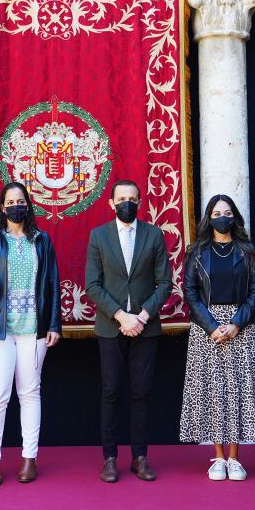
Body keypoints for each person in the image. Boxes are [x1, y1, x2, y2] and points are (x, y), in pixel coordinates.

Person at [0, 182, 61, 486]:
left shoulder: (42, 241)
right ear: (2, 208)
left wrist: (53, 324)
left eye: (20, 201)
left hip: (33, 330)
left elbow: (52, 284)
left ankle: (29, 458)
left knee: (30, 393)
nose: (16, 206)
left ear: (28, 205)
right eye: (10, 201)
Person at [85, 179, 173, 482]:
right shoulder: (98, 236)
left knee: (142, 393)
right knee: (110, 392)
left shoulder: (154, 235)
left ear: (140, 202)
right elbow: (92, 285)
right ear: (111, 203)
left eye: (132, 198)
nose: (127, 203)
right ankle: (110, 458)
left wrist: (143, 316)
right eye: (121, 198)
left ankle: (140, 457)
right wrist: (122, 316)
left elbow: (165, 283)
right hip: (111, 327)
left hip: (145, 328)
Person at [180, 194, 255, 481]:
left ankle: (235, 458)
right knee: (213, 391)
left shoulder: (247, 250)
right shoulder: (197, 252)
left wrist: (236, 323)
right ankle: (217, 457)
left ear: (234, 217)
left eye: (227, 212)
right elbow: (190, 293)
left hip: (241, 328)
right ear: (209, 217)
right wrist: (212, 325)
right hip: (208, 330)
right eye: (216, 212)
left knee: (239, 391)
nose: (222, 217)